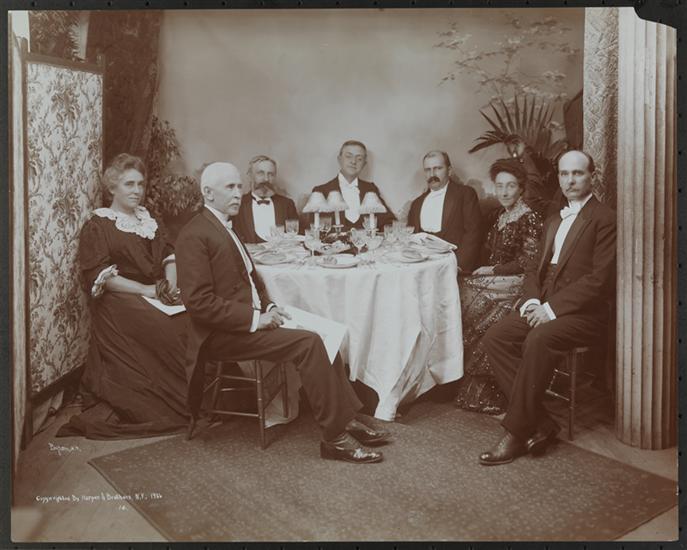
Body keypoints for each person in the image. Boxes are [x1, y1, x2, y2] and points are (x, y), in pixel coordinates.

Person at [175, 162, 390, 463]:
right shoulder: (194, 234)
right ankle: (334, 439)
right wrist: (256, 319)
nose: (238, 193)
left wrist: (269, 306)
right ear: (208, 193)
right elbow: (199, 303)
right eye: (230, 187)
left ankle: (345, 419)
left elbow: (252, 281)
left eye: (239, 186)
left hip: (245, 321)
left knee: (328, 332)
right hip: (220, 335)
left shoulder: (224, 226)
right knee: (308, 343)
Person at [478, 150, 616, 466]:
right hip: (544, 304)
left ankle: (515, 432)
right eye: (565, 174)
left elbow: (599, 281)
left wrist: (551, 309)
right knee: (496, 337)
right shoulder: (555, 218)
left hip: (584, 315)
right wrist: (532, 301)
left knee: (538, 338)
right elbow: (533, 269)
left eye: (577, 173)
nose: (570, 180)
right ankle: (541, 422)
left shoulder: (605, 218)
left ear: (592, 176)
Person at [57, 153, 189, 439]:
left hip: (154, 293)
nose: (137, 190)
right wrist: (146, 290)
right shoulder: (99, 225)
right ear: (112, 188)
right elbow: (100, 275)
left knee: (189, 320)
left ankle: (199, 395)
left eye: (140, 184)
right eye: (129, 184)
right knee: (163, 328)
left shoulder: (149, 220)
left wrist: (169, 285)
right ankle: (177, 402)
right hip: (118, 299)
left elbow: (169, 254)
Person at [454, 159, 543, 415]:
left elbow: (529, 261)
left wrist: (493, 270)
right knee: (462, 286)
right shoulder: (500, 216)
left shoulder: (530, 217)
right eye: (500, 186)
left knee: (472, 292)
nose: (504, 192)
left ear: (521, 188)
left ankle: (494, 390)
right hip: (498, 280)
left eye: (510, 186)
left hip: (520, 283)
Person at [407, 150, 484, 273]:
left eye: (438, 168)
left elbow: (473, 234)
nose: (432, 174)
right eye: (428, 170)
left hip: (454, 266)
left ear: (449, 170)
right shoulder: (416, 204)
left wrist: (459, 266)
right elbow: (410, 239)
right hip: (421, 268)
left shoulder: (465, 194)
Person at [310, 140, 395, 230]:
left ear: (364, 164)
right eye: (348, 156)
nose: (353, 161)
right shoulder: (321, 191)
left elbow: (389, 222)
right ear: (339, 159)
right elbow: (312, 228)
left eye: (359, 159)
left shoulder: (370, 189)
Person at [231, 155, 299, 243]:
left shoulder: (287, 204)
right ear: (250, 176)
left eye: (271, 174)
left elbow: (297, 236)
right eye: (260, 173)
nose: (266, 179)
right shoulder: (238, 204)